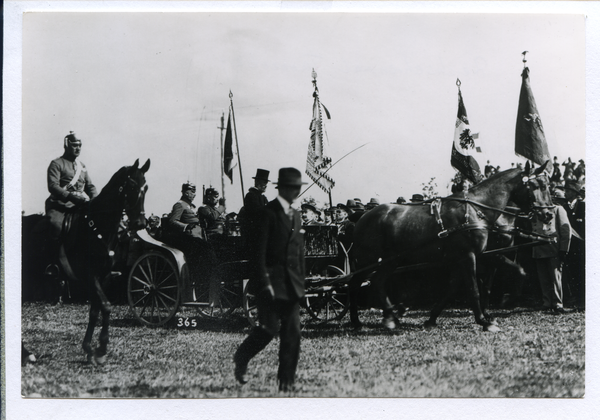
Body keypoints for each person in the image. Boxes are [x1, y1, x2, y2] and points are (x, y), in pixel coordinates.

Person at [233, 167, 306, 392]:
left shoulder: (295, 215)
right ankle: (242, 357)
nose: (295, 192)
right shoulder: (268, 213)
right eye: (292, 188)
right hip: (271, 285)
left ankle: (286, 383)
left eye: (297, 188)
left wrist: (301, 282)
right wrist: (264, 284)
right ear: (282, 188)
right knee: (268, 330)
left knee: (293, 333)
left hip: (292, 285)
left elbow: (298, 253)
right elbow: (259, 253)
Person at [44, 131, 98, 274]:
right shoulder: (56, 164)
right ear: (67, 145)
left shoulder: (82, 166)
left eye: (80, 145)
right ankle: (52, 263)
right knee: (55, 225)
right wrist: (70, 196)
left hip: (78, 207)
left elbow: (90, 186)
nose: (78, 148)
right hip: (60, 206)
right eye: (74, 145)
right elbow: (53, 186)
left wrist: (95, 200)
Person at [164, 182, 219, 303]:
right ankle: (202, 292)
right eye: (191, 191)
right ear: (184, 192)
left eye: (194, 192)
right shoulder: (179, 205)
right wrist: (187, 226)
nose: (193, 194)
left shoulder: (191, 207)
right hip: (186, 239)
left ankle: (204, 291)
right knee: (206, 254)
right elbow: (173, 221)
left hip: (196, 237)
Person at [531, 204, 572, 314]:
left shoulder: (558, 209)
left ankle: (557, 303)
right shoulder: (535, 210)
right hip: (538, 249)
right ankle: (547, 303)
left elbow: (565, 229)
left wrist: (564, 249)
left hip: (554, 249)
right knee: (543, 278)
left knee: (555, 278)